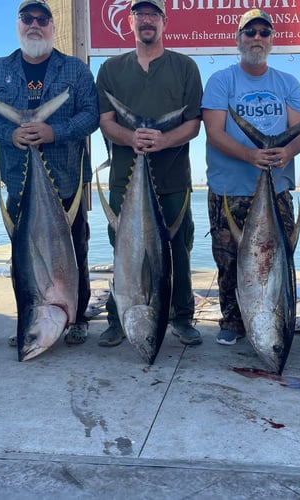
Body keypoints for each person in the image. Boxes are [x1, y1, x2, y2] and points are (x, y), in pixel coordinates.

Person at [0, 0, 99, 346]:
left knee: (76, 251)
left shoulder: (75, 70)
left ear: (52, 26)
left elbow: (91, 114)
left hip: (68, 178)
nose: (34, 25)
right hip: (19, 179)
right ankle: (30, 316)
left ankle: (77, 316)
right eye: (27, 18)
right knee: (23, 257)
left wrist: (53, 131)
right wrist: (10, 134)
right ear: (18, 25)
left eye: (42, 19)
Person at [202, 9, 300, 346]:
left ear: (271, 39)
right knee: (229, 259)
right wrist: (251, 155)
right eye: (249, 32)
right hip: (228, 189)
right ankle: (232, 321)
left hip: (275, 187)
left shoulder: (287, 83)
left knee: (276, 259)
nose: (257, 38)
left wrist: (287, 152)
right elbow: (214, 132)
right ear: (238, 39)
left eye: (264, 32)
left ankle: (276, 317)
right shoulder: (222, 80)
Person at [95, 0, 204, 348]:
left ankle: (183, 318)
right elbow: (106, 122)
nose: (146, 21)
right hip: (125, 179)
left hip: (174, 178)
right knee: (122, 252)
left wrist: (162, 140)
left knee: (179, 250)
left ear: (164, 22)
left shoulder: (185, 66)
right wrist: (133, 138)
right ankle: (117, 317)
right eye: (140, 15)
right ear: (129, 22)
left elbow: (194, 124)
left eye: (153, 15)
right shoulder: (111, 69)